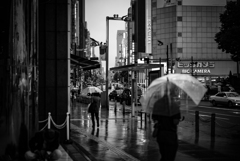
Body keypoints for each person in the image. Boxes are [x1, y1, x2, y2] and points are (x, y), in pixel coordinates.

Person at [152, 83, 181, 161]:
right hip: (170, 135)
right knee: (170, 157)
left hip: (160, 135)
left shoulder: (157, 103)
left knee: (164, 155)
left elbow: (154, 118)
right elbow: (175, 122)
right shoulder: (174, 105)